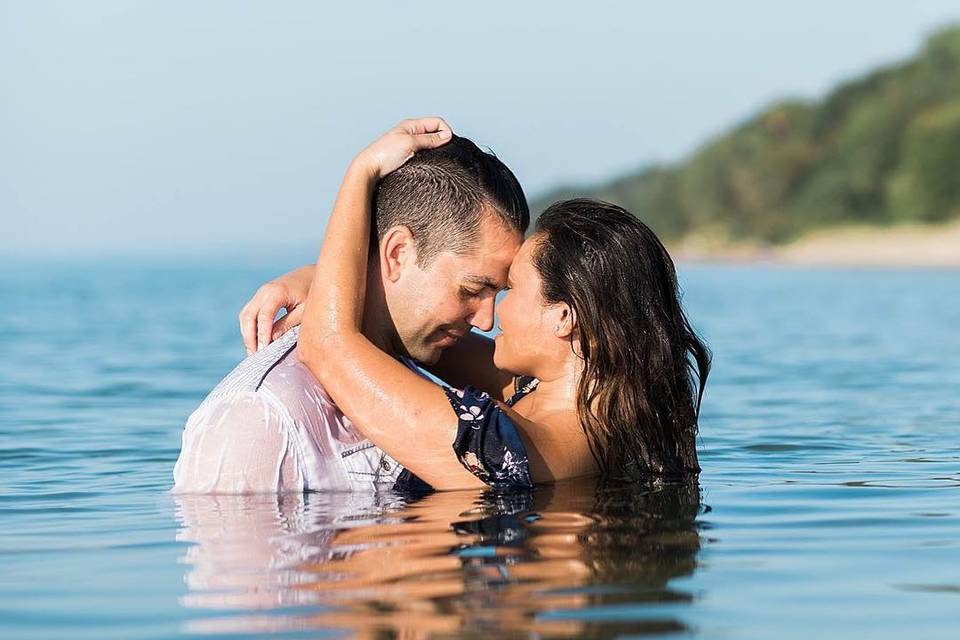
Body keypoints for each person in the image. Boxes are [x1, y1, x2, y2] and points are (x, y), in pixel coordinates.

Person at [278, 118, 711, 491]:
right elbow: (407, 329)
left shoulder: (514, 442)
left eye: (510, 290)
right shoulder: (566, 403)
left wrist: (364, 171)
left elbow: (327, 345)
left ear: (563, 317)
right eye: (482, 289)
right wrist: (316, 277)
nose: (490, 316)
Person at [173, 119, 529, 493]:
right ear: (397, 254)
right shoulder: (260, 420)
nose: (486, 321)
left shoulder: (416, 367)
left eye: (498, 293)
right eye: (471, 289)